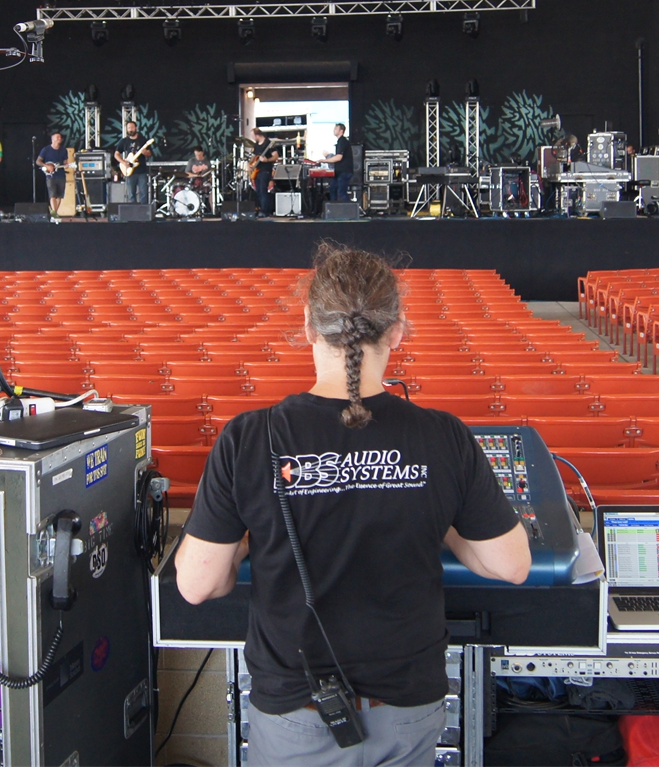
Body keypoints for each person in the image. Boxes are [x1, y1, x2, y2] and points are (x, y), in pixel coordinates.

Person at [175, 244, 529, 767]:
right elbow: (510, 564)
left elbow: (198, 584)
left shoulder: (249, 438)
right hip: (408, 705)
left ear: (309, 328)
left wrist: (243, 546)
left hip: (295, 706)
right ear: (397, 331)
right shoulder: (444, 437)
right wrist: (440, 510)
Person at [113, 120, 152, 208]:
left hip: (141, 170)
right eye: (129, 128)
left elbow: (149, 154)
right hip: (129, 171)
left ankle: (143, 212)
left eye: (132, 127)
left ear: (136, 128)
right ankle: (133, 213)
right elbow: (116, 154)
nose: (130, 129)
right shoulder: (124, 141)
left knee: (144, 193)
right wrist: (124, 162)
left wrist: (145, 152)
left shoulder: (143, 140)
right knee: (131, 194)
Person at [36, 131, 70, 215]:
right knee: (52, 195)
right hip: (50, 176)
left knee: (59, 196)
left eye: (60, 137)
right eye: (57, 137)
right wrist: (46, 166)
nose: (59, 139)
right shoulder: (46, 149)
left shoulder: (63, 150)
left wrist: (66, 165)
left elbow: (65, 161)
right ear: (52, 139)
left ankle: (54, 213)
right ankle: (54, 214)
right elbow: (38, 161)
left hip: (61, 175)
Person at [249, 129, 281, 217]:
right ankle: (260, 209)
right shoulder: (256, 145)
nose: (252, 138)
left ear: (257, 135)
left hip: (265, 170)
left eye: (253, 136)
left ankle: (265, 211)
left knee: (263, 190)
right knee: (258, 191)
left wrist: (267, 160)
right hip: (257, 171)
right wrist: (251, 164)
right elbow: (254, 157)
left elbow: (276, 156)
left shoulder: (268, 144)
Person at [323, 123, 354, 202]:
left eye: (336, 129)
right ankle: (334, 209)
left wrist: (324, 160)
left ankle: (349, 211)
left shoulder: (342, 141)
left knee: (341, 192)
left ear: (341, 131)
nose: (334, 130)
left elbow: (338, 157)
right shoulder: (340, 142)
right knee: (332, 189)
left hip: (344, 172)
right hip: (339, 172)